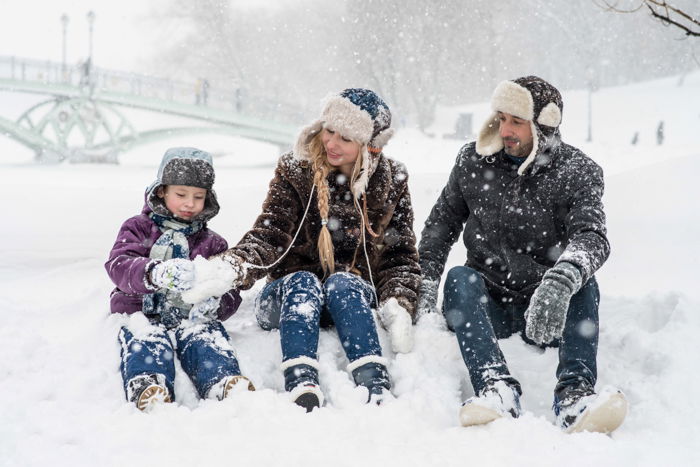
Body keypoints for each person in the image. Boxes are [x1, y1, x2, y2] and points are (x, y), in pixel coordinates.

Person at [417, 76, 627, 433]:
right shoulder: (472, 161)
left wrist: (561, 280)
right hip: (487, 305)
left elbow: (592, 236)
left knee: (583, 283)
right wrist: (422, 285)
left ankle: (575, 397)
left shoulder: (578, 172)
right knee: (458, 278)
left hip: (547, 310)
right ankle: (495, 387)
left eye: (517, 121)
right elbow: (440, 227)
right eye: (501, 118)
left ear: (543, 125)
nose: (505, 129)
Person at [202, 89, 420, 411]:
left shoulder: (391, 181)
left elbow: (399, 254)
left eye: (345, 138)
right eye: (329, 130)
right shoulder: (296, 170)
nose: (331, 143)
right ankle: (301, 380)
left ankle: (373, 380)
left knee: (343, 283)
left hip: (347, 299)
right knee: (303, 282)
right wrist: (232, 266)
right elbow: (270, 234)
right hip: (287, 298)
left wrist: (399, 302)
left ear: (368, 147)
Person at [105, 147, 254, 411]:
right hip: (141, 311)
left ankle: (221, 380)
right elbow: (119, 264)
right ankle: (148, 383)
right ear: (161, 190)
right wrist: (154, 272)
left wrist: (217, 303)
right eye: (181, 194)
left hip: (190, 316)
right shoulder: (138, 228)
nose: (189, 204)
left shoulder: (212, 243)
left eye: (198, 197)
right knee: (146, 338)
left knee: (206, 337)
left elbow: (228, 287)